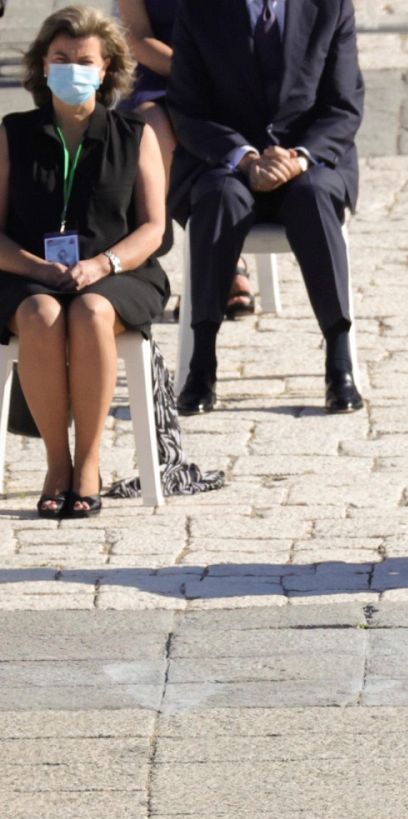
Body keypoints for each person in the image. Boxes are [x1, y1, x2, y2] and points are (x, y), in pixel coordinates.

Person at [0, 6, 168, 518]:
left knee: (91, 311)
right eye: (60, 57)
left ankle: (90, 463)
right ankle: (57, 463)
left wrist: (103, 265)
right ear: (42, 67)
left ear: (105, 69)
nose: (72, 67)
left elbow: (154, 229)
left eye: (84, 59)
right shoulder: (13, 133)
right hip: (29, 274)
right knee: (42, 315)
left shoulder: (135, 135)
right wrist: (35, 268)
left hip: (120, 274)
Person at [165, 0, 364, 415]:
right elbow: (187, 110)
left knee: (313, 197)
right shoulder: (200, 10)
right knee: (219, 200)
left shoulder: (330, 6)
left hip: (309, 161)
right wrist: (245, 158)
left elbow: (343, 105)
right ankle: (202, 362)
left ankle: (339, 359)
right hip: (228, 162)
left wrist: (298, 158)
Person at [116, 0, 257, 317]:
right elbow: (137, 37)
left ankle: (221, 262)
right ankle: (151, 247)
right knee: (151, 129)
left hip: (227, 76)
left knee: (214, 129)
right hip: (162, 76)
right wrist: (190, 68)